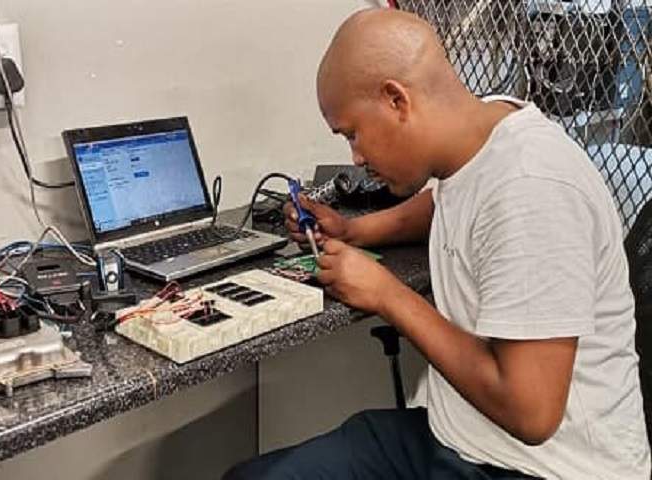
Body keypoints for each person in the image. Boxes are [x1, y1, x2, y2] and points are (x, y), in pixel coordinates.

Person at [224, 7, 650, 480]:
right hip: (459, 432)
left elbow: (531, 413)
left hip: (538, 467)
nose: (356, 157)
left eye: (353, 134)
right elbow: (448, 196)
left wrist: (385, 293)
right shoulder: (482, 132)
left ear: (396, 100)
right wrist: (354, 231)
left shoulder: (532, 186)